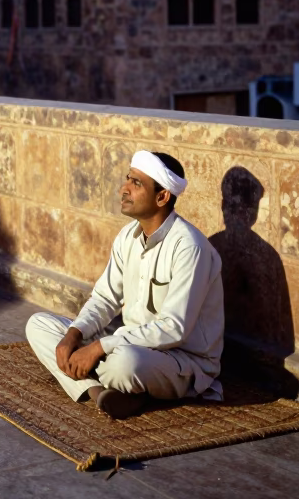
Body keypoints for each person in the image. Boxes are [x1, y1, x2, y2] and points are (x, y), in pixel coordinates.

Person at [25, 150, 224, 419]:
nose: (124, 188)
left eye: (136, 183)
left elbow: (174, 328)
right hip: (127, 343)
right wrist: (73, 335)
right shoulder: (127, 236)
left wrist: (98, 348)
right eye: (128, 179)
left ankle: (113, 382)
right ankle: (102, 393)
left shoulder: (190, 247)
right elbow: (105, 299)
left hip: (180, 359)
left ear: (162, 196)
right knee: (39, 325)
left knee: (124, 364)